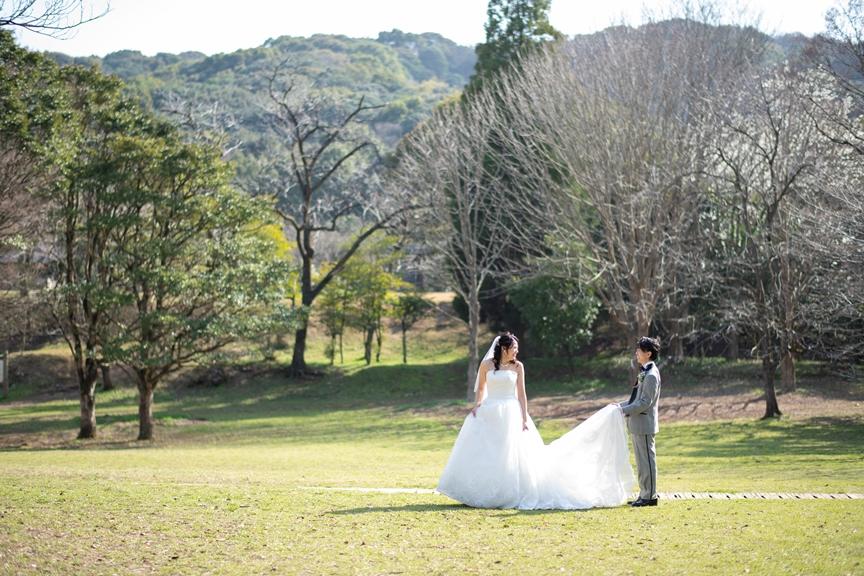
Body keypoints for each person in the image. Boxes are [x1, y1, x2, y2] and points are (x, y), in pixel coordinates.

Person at [436, 332, 635, 509]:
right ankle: (479, 492)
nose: (516, 352)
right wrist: (478, 405)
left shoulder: (518, 367)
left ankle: (510, 491)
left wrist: (523, 418)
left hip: (511, 411)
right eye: (514, 348)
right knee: (487, 452)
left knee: (512, 453)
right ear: (504, 348)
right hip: (490, 410)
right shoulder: (487, 365)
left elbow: (521, 394)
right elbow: (480, 389)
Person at [618, 336, 662, 507]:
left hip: (644, 424)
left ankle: (650, 496)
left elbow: (644, 403)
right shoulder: (644, 372)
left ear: (648, 353)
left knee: (647, 462)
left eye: (639, 350)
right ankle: (644, 494)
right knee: (641, 463)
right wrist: (618, 406)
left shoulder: (651, 375)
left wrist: (623, 411)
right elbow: (635, 399)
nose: (636, 352)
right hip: (637, 425)